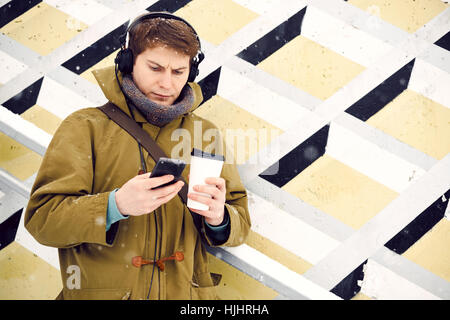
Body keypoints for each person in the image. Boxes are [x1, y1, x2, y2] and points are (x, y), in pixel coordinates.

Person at [24, 12, 251, 300]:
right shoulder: (83, 127)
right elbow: (42, 221)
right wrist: (114, 205)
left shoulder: (205, 132)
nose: (167, 84)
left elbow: (240, 222)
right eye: (155, 68)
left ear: (191, 74)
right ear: (128, 62)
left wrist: (220, 219)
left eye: (179, 72)